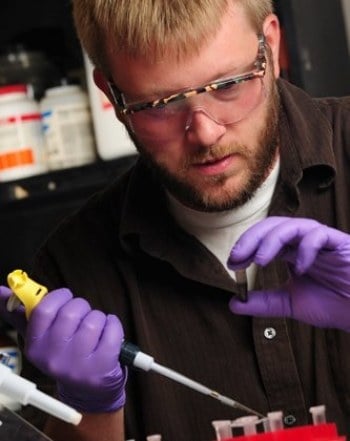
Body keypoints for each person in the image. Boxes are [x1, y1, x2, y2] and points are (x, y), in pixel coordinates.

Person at [0, 0, 350, 440]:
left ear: (272, 48)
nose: (205, 133)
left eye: (228, 84)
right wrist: (89, 411)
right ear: (113, 96)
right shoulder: (71, 270)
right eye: (159, 105)